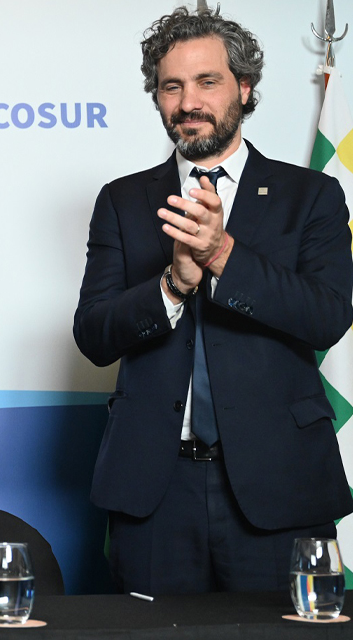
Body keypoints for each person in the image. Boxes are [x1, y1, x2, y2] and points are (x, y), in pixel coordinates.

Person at [74, 7, 353, 594]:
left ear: (244, 89)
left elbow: (327, 316)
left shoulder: (312, 195)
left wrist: (224, 255)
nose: (187, 101)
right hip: (155, 491)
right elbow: (94, 336)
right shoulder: (122, 201)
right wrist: (172, 286)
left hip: (279, 487)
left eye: (207, 81)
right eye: (171, 86)